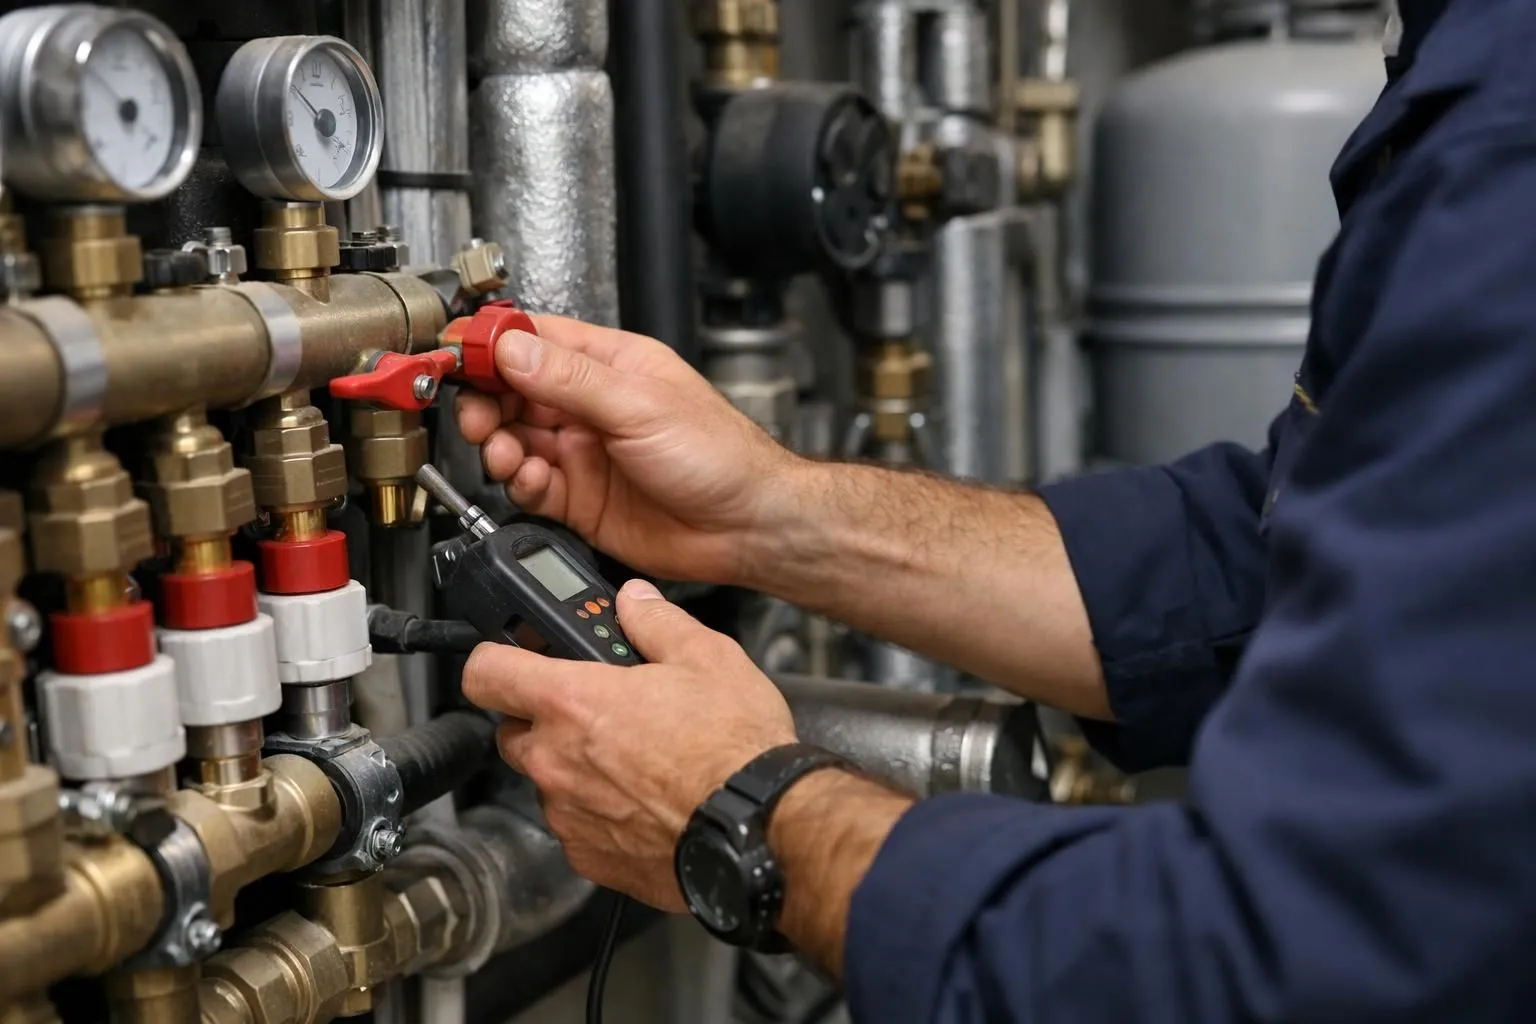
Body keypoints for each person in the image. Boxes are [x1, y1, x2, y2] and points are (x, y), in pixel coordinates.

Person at [454, 0, 1536, 1018]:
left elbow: (1297, 958)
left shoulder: (1506, 139)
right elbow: (1256, 567)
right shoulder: (1472, 66)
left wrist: (744, 813)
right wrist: (766, 511)